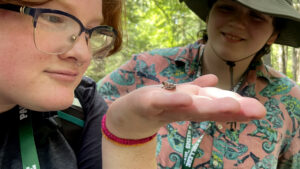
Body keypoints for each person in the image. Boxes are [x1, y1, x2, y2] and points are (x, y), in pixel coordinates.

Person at [98, 0, 300, 168]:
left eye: (257, 16)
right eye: (227, 7)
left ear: (273, 34)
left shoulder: (290, 100)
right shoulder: (144, 69)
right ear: (209, 14)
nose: (238, 23)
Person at [0, 0, 159, 168]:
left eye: (90, 32)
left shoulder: (83, 103)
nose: (84, 54)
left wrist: (131, 135)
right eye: (54, 19)